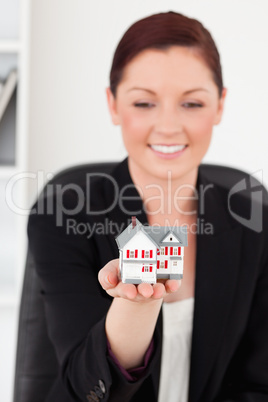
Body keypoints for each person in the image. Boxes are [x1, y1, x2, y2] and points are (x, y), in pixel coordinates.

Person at [28, 11, 268, 402]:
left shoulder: (256, 223)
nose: (169, 126)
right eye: (144, 103)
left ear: (220, 105)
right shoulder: (62, 216)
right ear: (113, 104)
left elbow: (257, 383)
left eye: (192, 103)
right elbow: (82, 386)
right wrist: (135, 305)